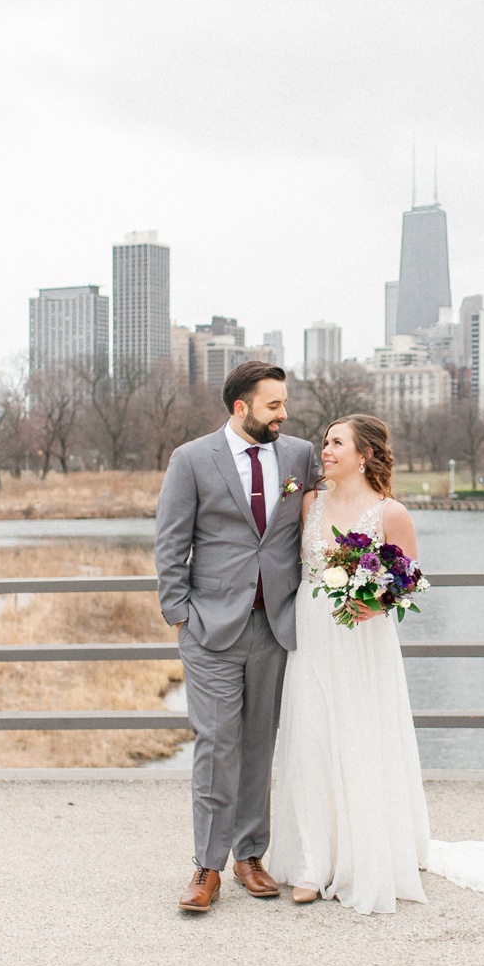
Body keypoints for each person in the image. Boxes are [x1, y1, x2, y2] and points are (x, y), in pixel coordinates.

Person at [269, 414, 484, 914]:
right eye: (325, 442)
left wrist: (375, 603)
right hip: (313, 632)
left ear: (364, 455)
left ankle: (363, 857)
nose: (327, 450)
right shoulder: (309, 503)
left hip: (361, 638)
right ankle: (311, 862)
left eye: (337, 443)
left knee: (360, 736)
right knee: (311, 737)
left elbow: (408, 580)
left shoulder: (390, 513)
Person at [154, 361, 321, 913]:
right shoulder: (191, 459)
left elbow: (323, 522)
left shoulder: (299, 456)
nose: (284, 414)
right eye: (274, 405)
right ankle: (207, 866)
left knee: (258, 744)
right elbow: (171, 541)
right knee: (216, 743)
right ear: (241, 407)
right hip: (210, 629)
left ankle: (252, 855)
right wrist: (180, 613)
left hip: (276, 624)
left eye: (285, 404)